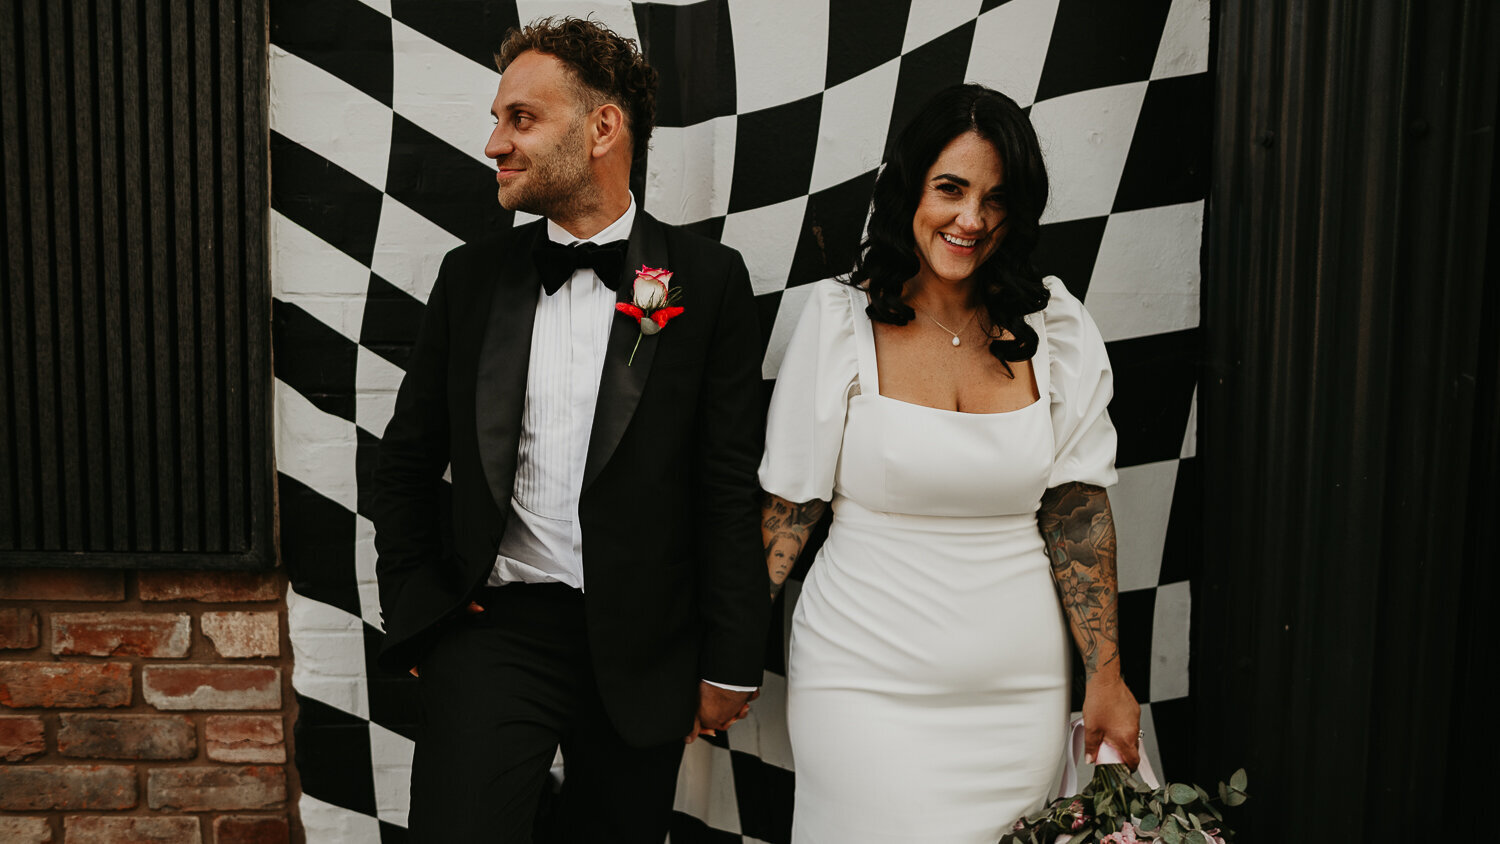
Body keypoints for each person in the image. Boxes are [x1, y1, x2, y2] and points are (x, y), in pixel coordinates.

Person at [370, 17, 769, 842]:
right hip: (495, 629)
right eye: (498, 119)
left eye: (521, 118)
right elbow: (406, 459)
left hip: (645, 640)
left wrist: (732, 657)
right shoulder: (472, 278)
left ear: (601, 127)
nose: (494, 144)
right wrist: (418, 608)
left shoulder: (707, 281)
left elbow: (726, 483)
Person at [758, 83, 1142, 842]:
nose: (971, 220)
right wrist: (725, 659)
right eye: (951, 189)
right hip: (859, 684)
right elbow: (788, 513)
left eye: (996, 199)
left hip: (1017, 696)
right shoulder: (841, 321)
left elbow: (1077, 513)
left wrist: (1105, 676)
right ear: (909, 188)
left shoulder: (1054, 327)